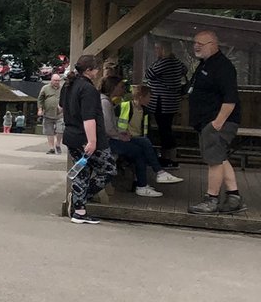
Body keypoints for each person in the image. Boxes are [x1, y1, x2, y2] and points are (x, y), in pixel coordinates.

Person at [186, 29, 244, 215]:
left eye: (200, 44)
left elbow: (230, 99)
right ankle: (234, 197)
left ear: (213, 45)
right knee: (220, 158)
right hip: (206, 122)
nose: (196, 46)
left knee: (214, 161)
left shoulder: (223, 67)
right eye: (194, 43)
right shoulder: (205, 64)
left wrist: (217, 123)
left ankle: (211, 199)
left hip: (218, 122)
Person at [101, 76, 181, 197]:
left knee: (144, 142)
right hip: (108, 141)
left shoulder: (111, 102)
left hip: (116, 137)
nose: (124, 90)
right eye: (121, 87)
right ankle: (148, 180)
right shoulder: (106, 103)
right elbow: (108, 129)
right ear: (113, 87)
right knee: (139, 150)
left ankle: (154, 176)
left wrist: (121, 134)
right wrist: (120, 135)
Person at [61, 55, 116, 223]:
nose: (99, 72)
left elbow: (61, 106)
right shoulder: (88, 90)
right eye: (97, 69)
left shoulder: (68, 85)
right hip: (88, 137)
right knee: (108, 170)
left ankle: (79, 210)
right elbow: (89, 117)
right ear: (89, 70)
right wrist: (92, 141)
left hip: (72, 135)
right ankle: (81, 199)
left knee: (82, 172)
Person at [143, 40, 188, 169]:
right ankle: (167, 157)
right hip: (172, 102)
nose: (155, 51)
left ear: (163, 50)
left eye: (158, 49)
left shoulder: (163, 63)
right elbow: (185, 70)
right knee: (166, 129)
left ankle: (168, 158)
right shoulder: (177, 63)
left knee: (164, 131)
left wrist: (157, 61)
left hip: (161, 102)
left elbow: (149, 74)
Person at [37, 72, 64, 154]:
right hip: (48, 113)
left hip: (60, 114)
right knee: (49, 131)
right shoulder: (45, 88)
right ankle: (51, 148)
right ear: (51, 80)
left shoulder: (63, 89)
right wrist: (40, 109)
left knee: (60, 130)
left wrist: (63, 106)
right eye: (55, 80)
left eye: (58, 80)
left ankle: (58, 144)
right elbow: (40, 99)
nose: (57, 82)